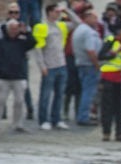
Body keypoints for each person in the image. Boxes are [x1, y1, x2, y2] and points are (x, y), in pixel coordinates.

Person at [33, 2, 80, 130]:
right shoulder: (41, 27)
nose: (58, 14)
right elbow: (38, 49)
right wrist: (42, 66)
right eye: (55, 11)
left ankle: (56, 119)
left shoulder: (61, 25)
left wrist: (67, 11)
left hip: (61, 64)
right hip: (49, 66)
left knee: (60, 94)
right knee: (46, 94)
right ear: (49, 13)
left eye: (58, 12)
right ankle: (43, 120)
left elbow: (78, 23)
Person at [0, 19, 37, 134]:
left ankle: (17, 124)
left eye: (16, 28)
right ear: (7, 29)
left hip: (19, 76)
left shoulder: (22, 42)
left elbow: (33, 42)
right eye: (11, 28)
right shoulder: (0, 43)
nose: (13, 31)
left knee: (19, 101)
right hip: (3, 77)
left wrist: (26, 32)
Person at [0, 3, 35, 121]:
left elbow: (32, 43)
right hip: (4, 61)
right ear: (7, 13)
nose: (14, 15)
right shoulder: (1, 27)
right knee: (2, 90)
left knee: (24, 86)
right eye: (11, 12)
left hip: (21, 61)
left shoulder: (24, 26)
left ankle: (29, 109)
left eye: (16, 12)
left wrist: (25, 33)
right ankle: (2, 112)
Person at [72, 7, 101, 126]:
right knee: (89, 92)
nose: (96, 20)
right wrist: (97, 65)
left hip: (81, 63)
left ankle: (83, 114)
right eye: (94, 18)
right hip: (89, 65)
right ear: (87, 17)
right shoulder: (88, 32)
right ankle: (83, 116)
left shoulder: (79, 29)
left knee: (85, 91)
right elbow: (91, 50)